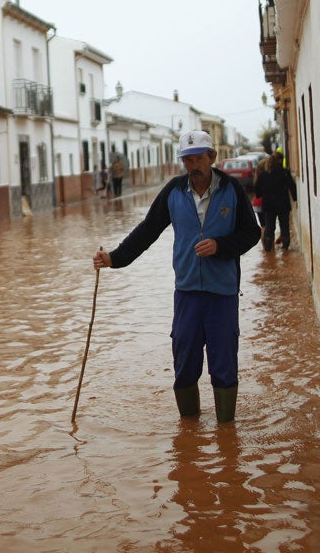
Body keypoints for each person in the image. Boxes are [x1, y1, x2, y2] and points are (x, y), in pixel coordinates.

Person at [92, 130, 260, 423]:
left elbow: (252, 233)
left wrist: (221, 246)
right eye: (187, 160)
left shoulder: (232, 190)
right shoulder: (173, 191)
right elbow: (147, 230)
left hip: (223, 293)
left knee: (224, 364)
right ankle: (189, 435)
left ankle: (226, 434)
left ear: (212, 157)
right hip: (186, 293)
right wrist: (115, 258)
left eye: (198, 159)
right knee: (184, 363)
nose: (193, 166)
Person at [253, 149, 297, 251]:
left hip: (269, 205)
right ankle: (285, 248)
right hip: (283, 205)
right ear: (279, 161)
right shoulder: (284, 172)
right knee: (284, 226)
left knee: (269, 227)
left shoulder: (263, 174)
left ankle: (269, 250)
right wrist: (295, 198)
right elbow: (292, 185)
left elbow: (257, 189)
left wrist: (261, 194)